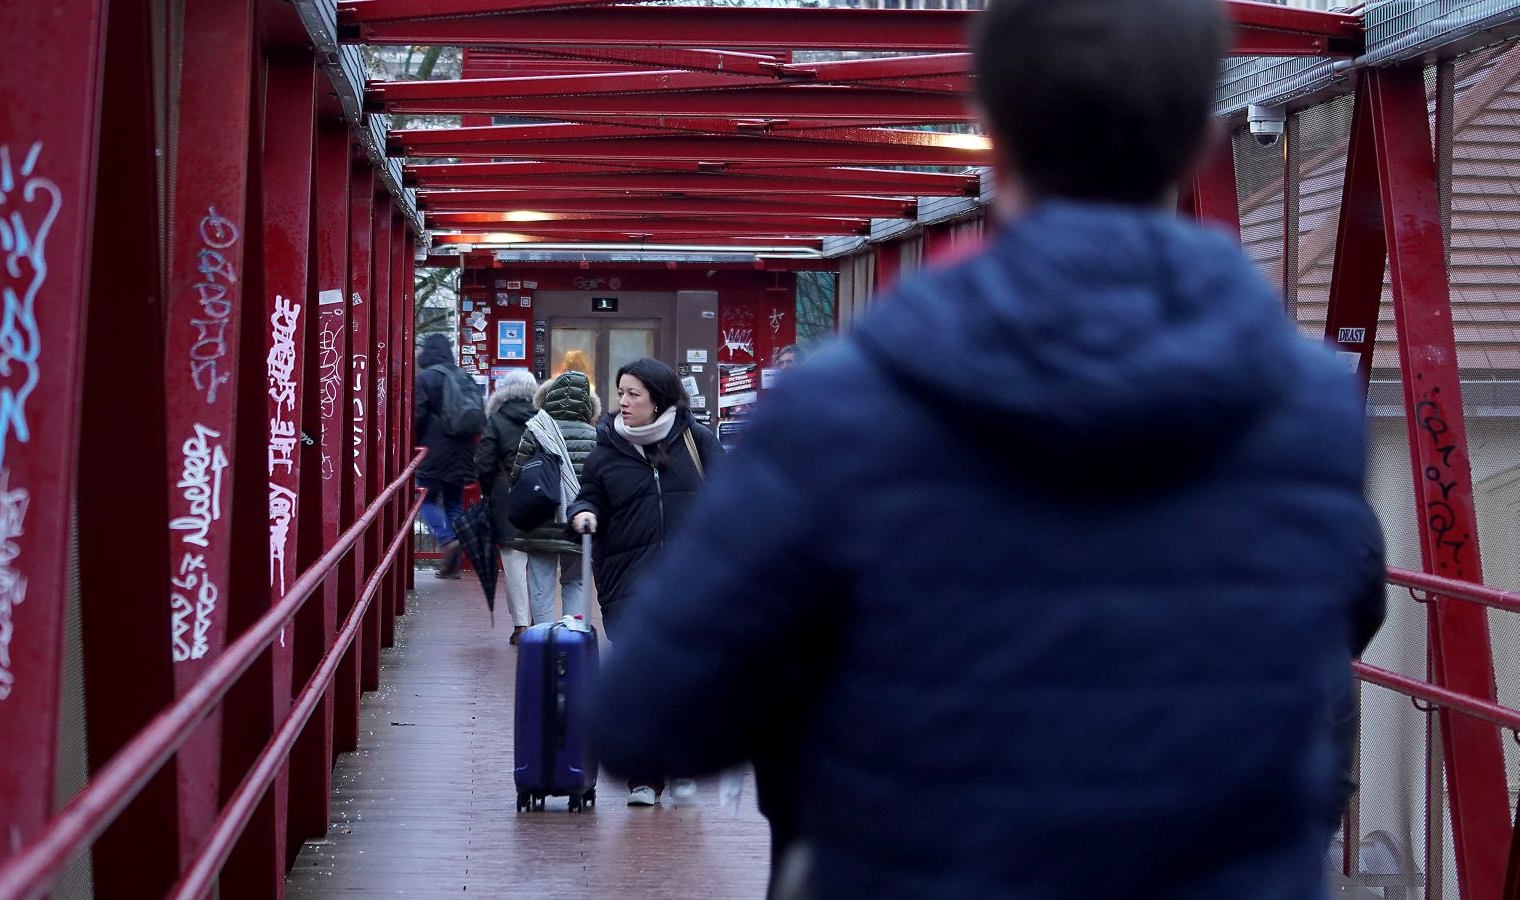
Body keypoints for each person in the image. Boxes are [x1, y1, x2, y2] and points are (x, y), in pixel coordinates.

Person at [589, 0, 1386, 896]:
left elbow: (643, 721)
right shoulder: (1308, 409)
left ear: (995, 137)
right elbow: (1346, 610)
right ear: (1193, 134)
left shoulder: (839, 412)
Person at [567, 357, 723, 807]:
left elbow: (736, 493)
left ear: (658, 400)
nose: (624, 401)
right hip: (626, 580)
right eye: (620, 393)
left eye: (634, 393)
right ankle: (644, 776)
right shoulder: (606, 450)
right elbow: (589, 493)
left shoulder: (697, 443)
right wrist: (582, 511)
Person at [509, 370, 598, 625]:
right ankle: (571, 638)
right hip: (577, 522)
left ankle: (543, 640)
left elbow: (517, 475)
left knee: (540, 584)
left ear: (548, 397)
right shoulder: (594, 436)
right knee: (576, 581)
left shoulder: (535, 430)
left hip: (539, 520)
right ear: (587, 403)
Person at [475, 368, 539, 644]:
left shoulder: (497, 419)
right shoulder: (544, 418)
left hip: (507, 495)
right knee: (541, 560)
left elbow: (484, 462)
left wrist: (490, 491)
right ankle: (542, 618)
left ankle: (521, 625)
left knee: (514, 562)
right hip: (541, 495)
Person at [414, 333, 480, 579]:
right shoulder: (464, 377)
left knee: (422, 498)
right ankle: (452, 564)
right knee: (454, 502)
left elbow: (418, 417)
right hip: (463, 452)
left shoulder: (427, 378)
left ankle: (447, 539)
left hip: (433, 451)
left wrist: (414, 443)